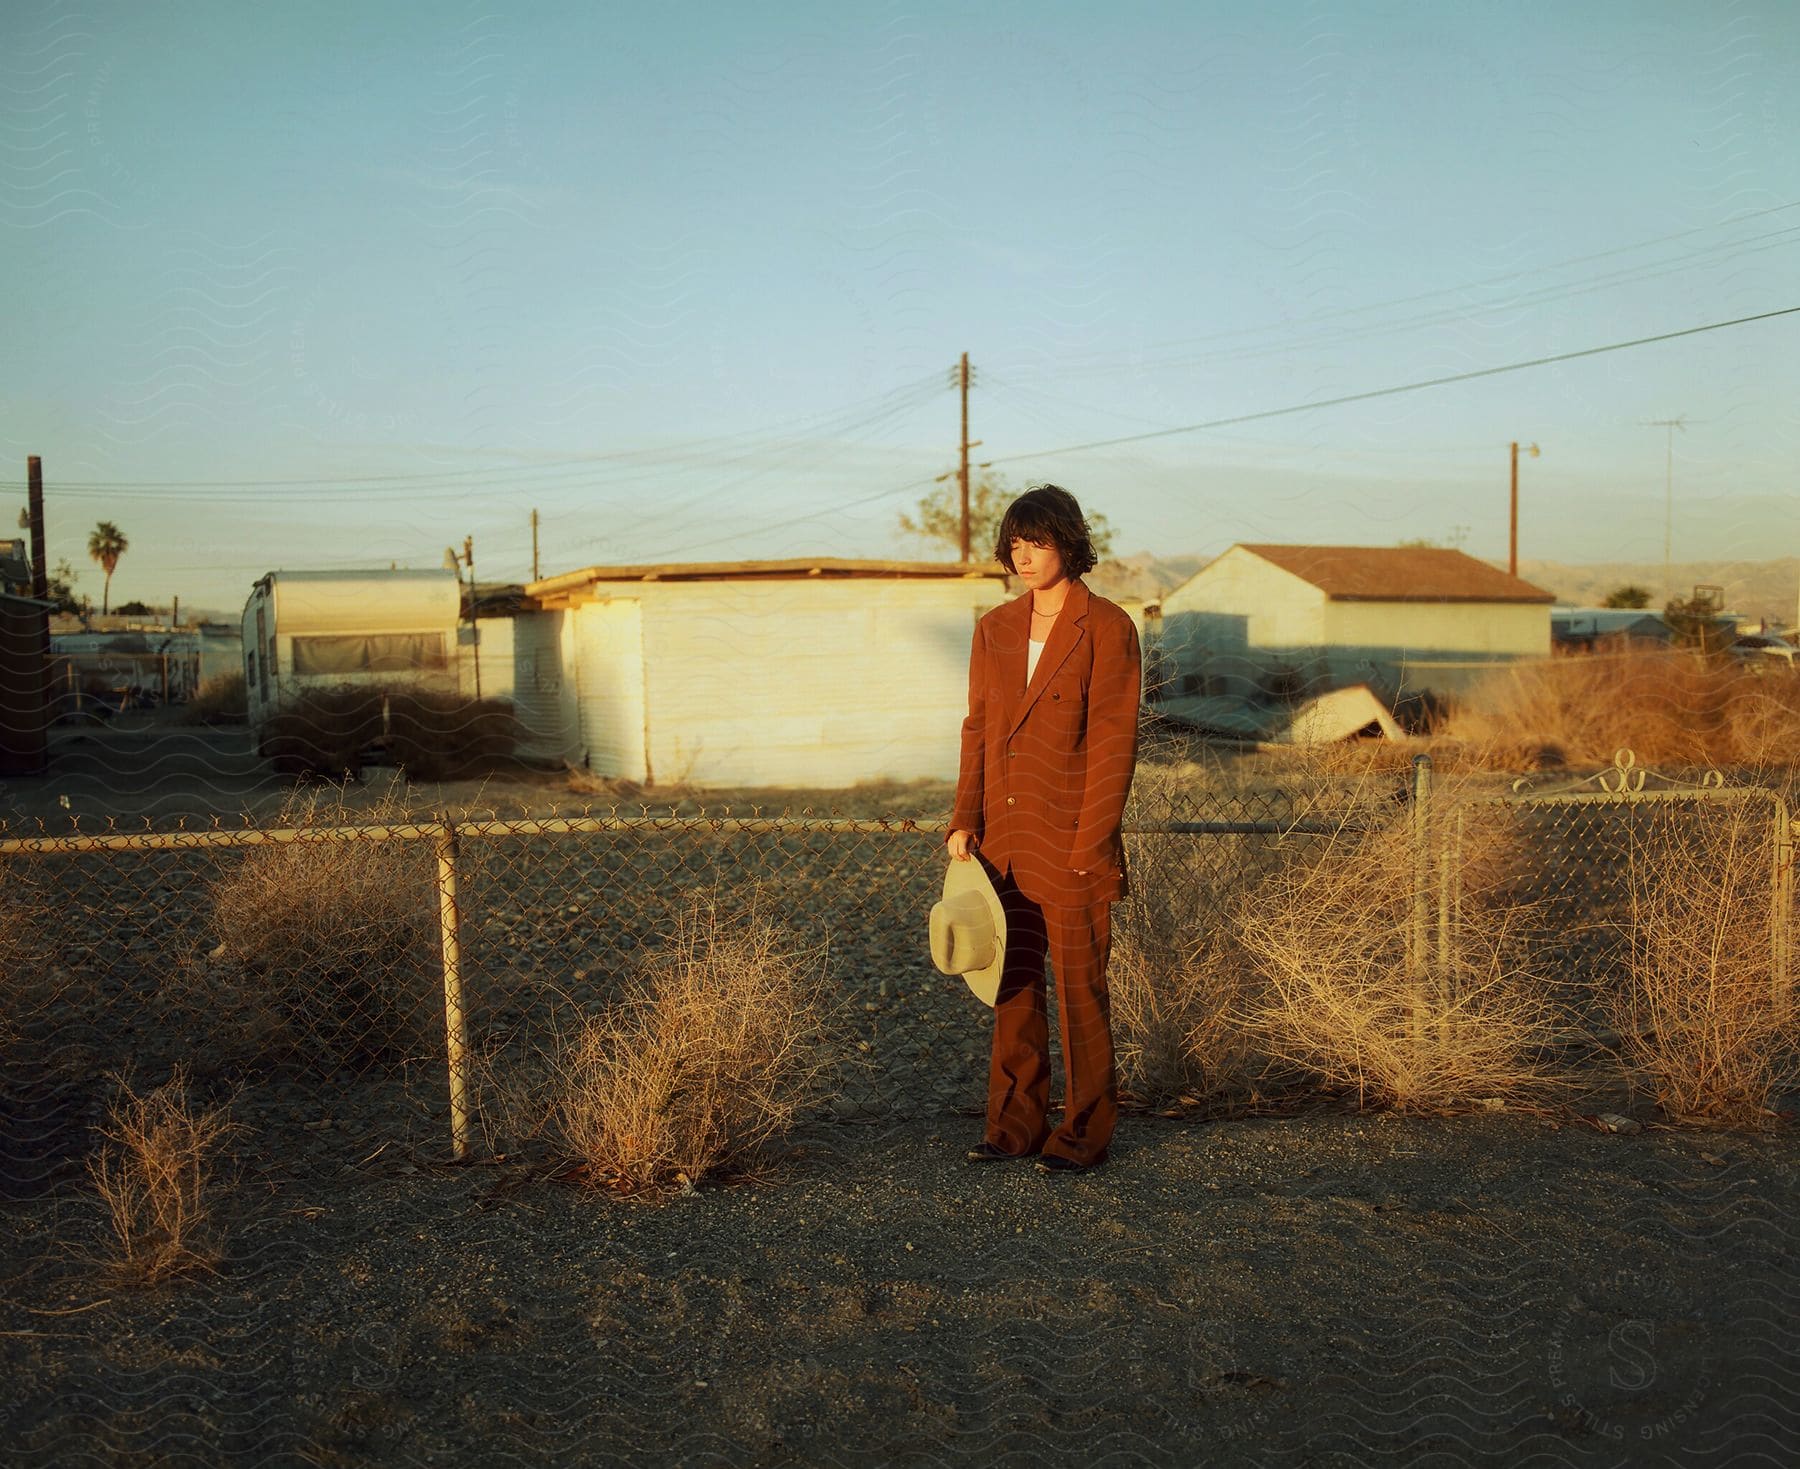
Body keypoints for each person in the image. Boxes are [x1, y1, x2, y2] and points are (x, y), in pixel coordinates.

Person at [947, 483, 1141, 1173]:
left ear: (1069, 542)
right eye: (1016, 544)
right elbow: (977, 728)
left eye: (1038, 541)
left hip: (1073, 839)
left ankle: (1084, 1135)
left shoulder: (1108, 626)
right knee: (1013, 985)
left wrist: (1092, 841)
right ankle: (1013, 1126)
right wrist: (964, 819)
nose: (1024, 556)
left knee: (1081, 994)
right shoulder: (994, 628)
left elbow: (1116, 740)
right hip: (1002, 839)